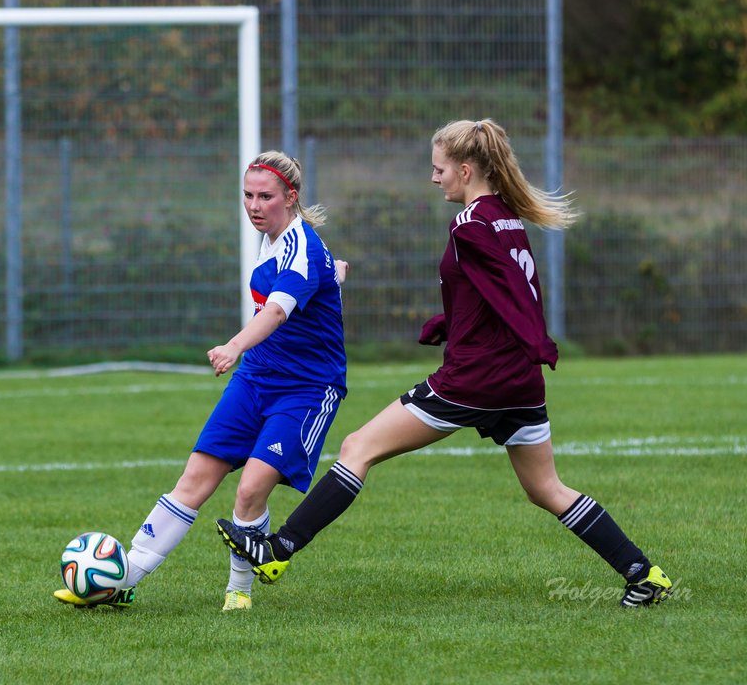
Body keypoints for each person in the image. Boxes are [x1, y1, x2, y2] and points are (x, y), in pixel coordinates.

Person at [218, 119, 674, 608]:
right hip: (519, 380)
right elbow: (494, 292)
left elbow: (514, 294)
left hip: (474, 380)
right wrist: (452, 324)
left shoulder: (470, 224)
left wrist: (535, 338)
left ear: (464, 169)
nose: (435, 179)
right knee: (546, 488)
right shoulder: (505, 217)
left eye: (439, 170)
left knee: (358, 447)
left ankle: (278, 550)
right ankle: (644, 574)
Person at [54, 151, 348, 611]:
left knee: (251, 489)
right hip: (256, 378)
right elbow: (302, 286)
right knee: (195, 477)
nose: (254, 205)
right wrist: (333, 273)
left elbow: (275, 310)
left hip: (306, 388)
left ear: (290, 198)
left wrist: (233, 346)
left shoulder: (301, 246)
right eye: (247, 195)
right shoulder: (272, 238)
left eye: (265, 197)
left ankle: (240, 590)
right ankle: (123, 578)